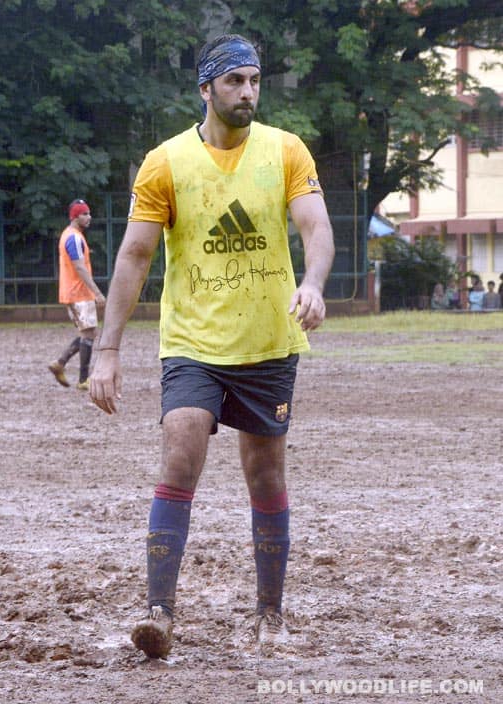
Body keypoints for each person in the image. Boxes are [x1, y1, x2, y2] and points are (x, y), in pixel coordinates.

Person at [89, 33, 334, 659]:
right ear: (206, 89)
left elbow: (316, 226)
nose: (247, 92)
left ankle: (270, 615)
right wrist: (108, 350)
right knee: (181, 447)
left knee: (265, 473)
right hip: (193, 343)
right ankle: (159, 614)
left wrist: (312, 281)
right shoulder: (166, 163)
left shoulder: (285, 151)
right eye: (234, 82)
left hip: (268, 344)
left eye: (254, 81)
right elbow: (135, 255)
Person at [48, 199, 106, 390]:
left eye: (89, 213)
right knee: (89, 333)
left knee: (87, 332)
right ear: (74, 216)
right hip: (78, 292)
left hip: (75, 292)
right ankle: (82, 379)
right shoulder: (73, 237)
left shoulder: (71, 235)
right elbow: (79, 267)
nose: (89, 217)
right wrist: (97, 292)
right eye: (84, 214)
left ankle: (60, 364)